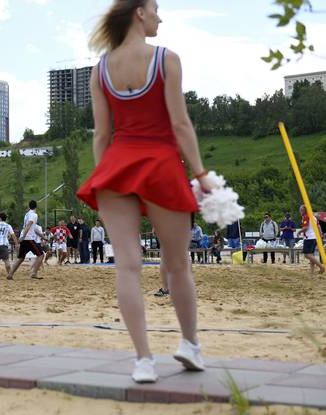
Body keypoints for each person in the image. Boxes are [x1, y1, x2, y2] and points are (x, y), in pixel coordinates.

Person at [75, 0, 214, 383]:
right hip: (160, 165)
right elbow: (180, 123)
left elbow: (101, 136)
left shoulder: (101, 68)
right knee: (177, 263)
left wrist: (105, 176)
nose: (159, 16)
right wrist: (200, 173)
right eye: (155, 8)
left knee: (127, 265)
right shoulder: (166, 59)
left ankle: (143, 360)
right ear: (139, 12)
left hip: (117, 165)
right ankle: (189, 345)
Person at [7, 200, 45, 280]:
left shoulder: (27, 214)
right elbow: (28, 226)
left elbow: (33, 228)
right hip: (28, 238)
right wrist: (23, 236)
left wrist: (42, 236)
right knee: (41, 255)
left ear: (29, 206)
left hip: (25, 238)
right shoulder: (34, 215)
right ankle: (34, 273)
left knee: (21, 258)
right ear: (36, 206)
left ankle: (10, 274)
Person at [299, 205, 325, 274]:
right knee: (311, 255)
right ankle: (312, 271)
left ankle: (321, 267)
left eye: (301, 210)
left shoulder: (306, 216)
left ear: (304, 210)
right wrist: (320, 235)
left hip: (309, 238)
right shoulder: (314, 217)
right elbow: (318, 227)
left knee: (307, 255)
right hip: (314, 238)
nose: (300, 211)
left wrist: (299, 231)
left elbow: (306, 228)